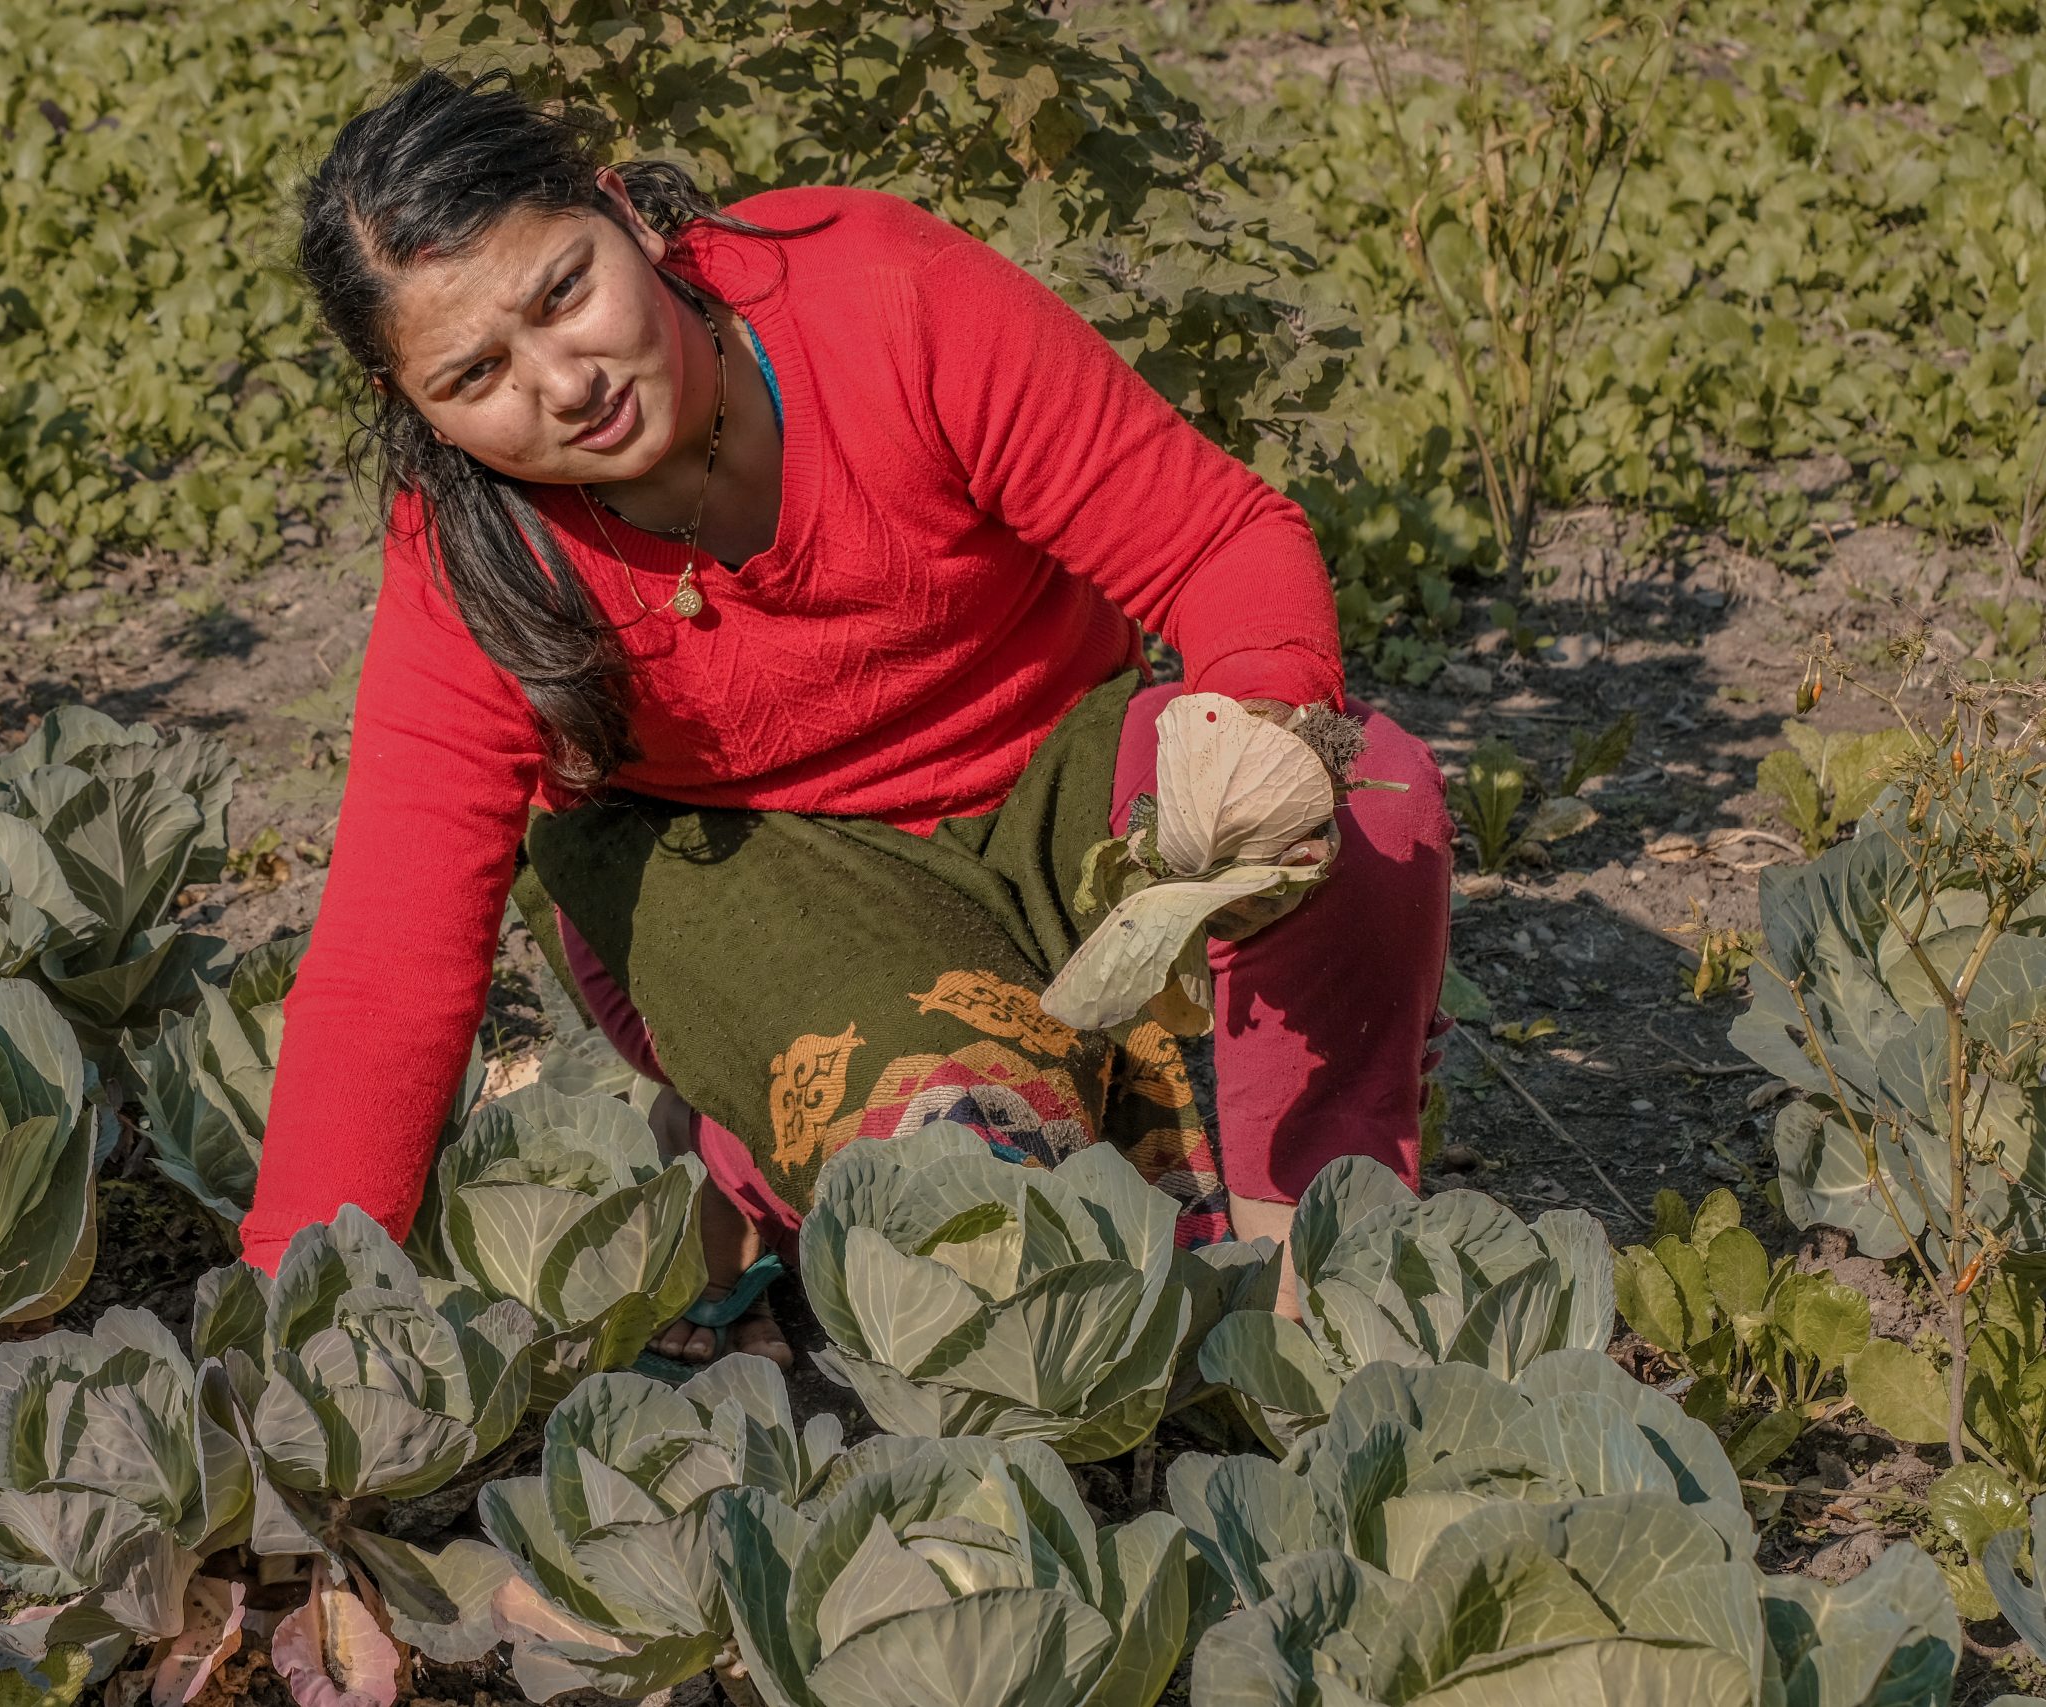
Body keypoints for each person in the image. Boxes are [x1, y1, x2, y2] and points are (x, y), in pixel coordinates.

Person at [242, 65, 1454, 1370]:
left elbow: (1221, 541)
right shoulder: (469, 566)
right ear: (411, 409)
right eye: (477, 373)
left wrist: (1264, 719)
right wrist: (290, 1329)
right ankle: (748, 1152)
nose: (565, 380)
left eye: (564, 293)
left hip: (1052, 788)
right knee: (967, 1178)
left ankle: (1319, 1277)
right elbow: (387, 970)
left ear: (625, 218)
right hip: (764, 890)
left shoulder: (873, 296)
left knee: (1359, 794)